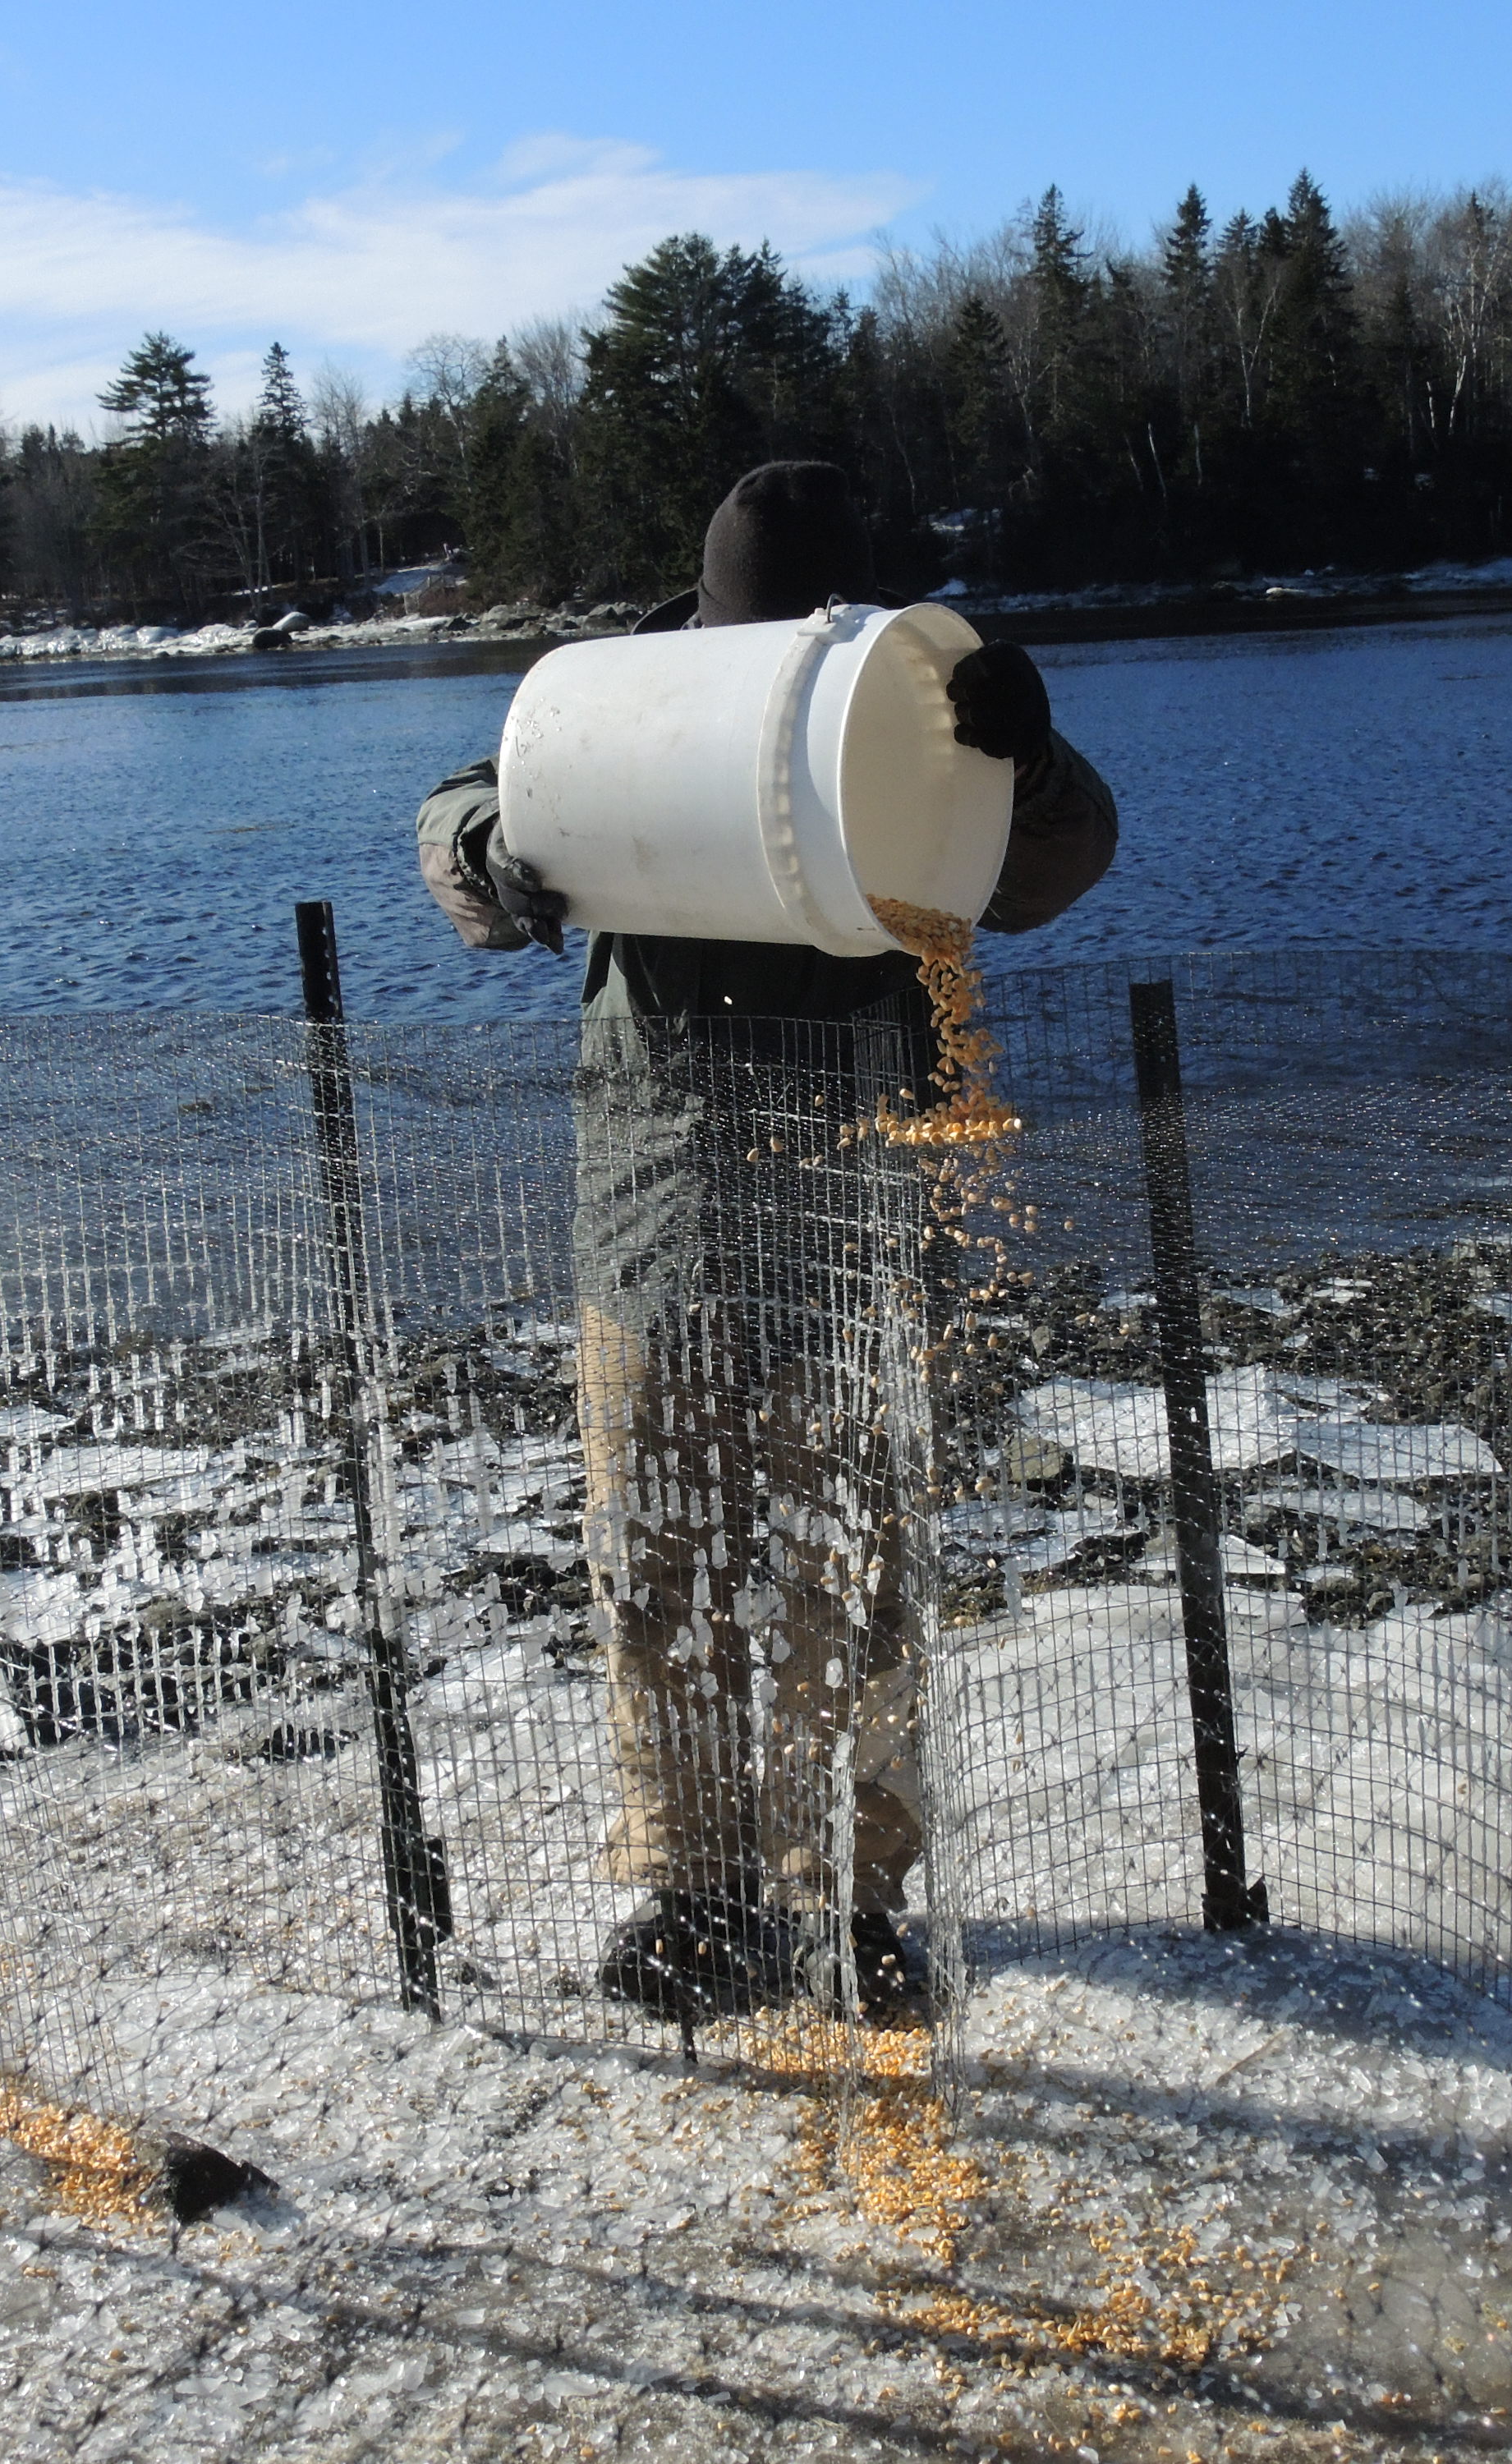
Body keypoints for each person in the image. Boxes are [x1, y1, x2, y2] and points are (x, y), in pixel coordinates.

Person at [415, 462, 1115, 2018]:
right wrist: (492, 855)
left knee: (852, 1564)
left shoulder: (911, 700)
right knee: (655, 1555)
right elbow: (462, 801)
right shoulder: (625, 698)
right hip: (656, 1205)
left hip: (862, 1198)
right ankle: (693, 1885)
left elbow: (1054, 872)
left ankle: (851, 1898)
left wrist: (1030, 754)